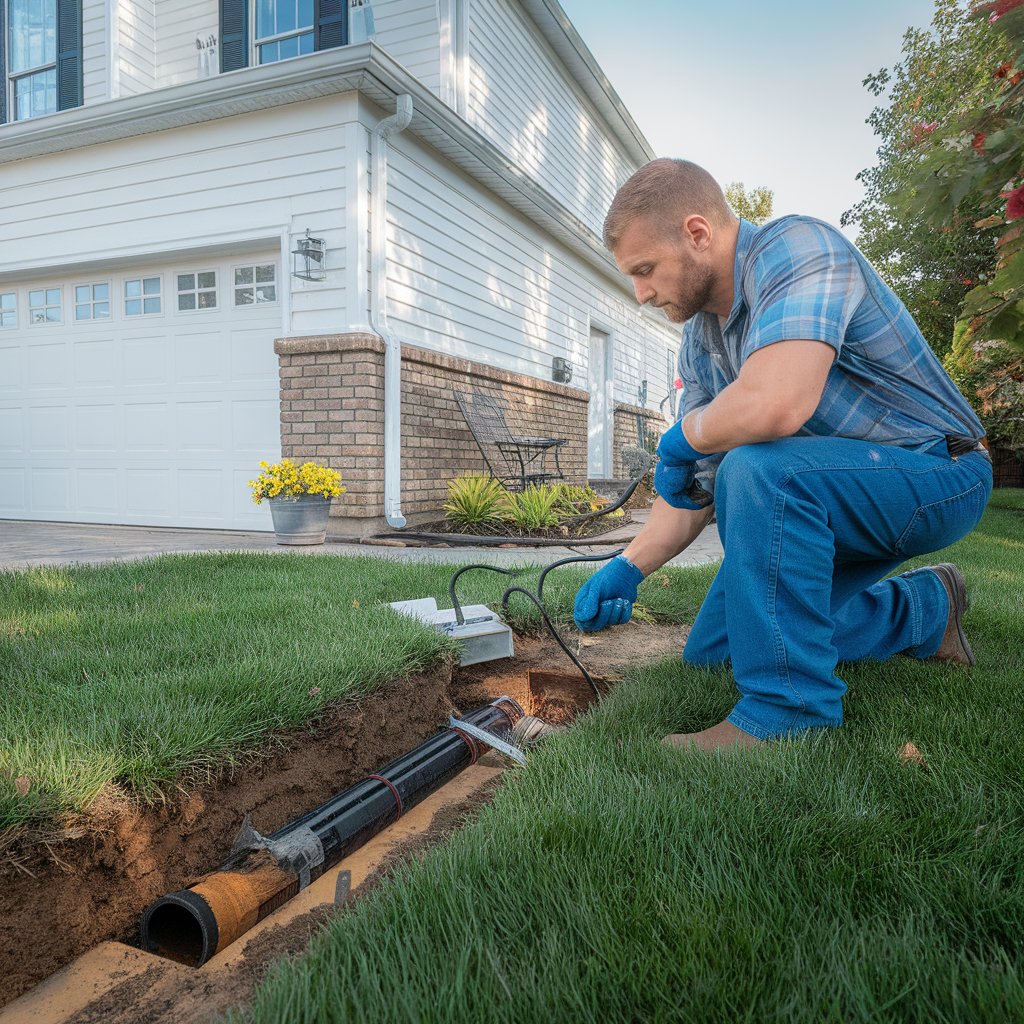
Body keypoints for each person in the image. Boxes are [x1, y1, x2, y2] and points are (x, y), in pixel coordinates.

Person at [573, 159, 992, 751]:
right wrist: (629, 565)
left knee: (760, 467)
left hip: (939, 472)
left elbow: (775, 405)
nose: (640, 295)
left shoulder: (799, 250)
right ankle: (926, 610)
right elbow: (700, 478)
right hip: (831, 491)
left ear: (697, 233)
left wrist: (680, 437)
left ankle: (789, 709)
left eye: (646, 271)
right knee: (717, 651)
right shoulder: (701, 339)